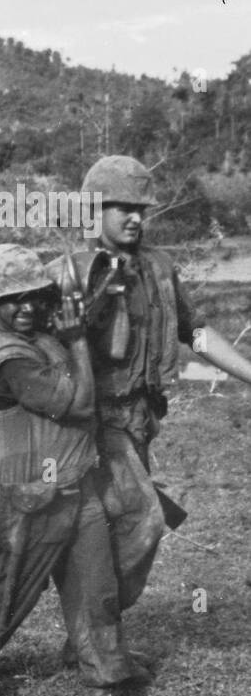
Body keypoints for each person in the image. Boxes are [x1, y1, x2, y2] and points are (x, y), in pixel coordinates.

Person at [0, 244, 164, 696]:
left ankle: (103, 693)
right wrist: (76, 341)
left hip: (74, 490)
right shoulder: (5, 355)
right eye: (14, 299)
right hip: (28, 504)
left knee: (96, 591)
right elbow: (73, 407)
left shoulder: (24, 334)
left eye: (35, 296)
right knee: (6, 601)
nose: (28, 307)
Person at [78, 155, 251, 611]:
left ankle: (95, 632)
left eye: (142, 209)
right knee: (142, 520)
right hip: (94, 422)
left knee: (119, 526)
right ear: (93, 208)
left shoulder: (157, 266)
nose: (136, 218)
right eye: (123, 208)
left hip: (140, 419)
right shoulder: (76, 269)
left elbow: (194, 332)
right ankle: (97, 633)